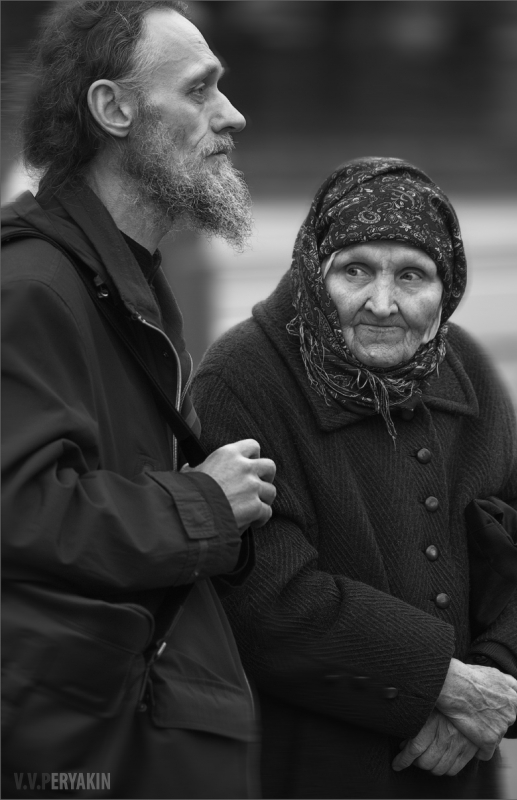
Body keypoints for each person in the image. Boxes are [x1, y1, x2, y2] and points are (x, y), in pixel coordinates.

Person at [192, 157, 517, 799]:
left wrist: (496, 674)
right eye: (356, 269)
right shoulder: (243, 380)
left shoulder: (464, 370)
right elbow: (265, 600)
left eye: (412, 275)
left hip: (461, 772)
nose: (383, 303)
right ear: (316, 271)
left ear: (446, 289)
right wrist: (443, 684)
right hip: (313, 771)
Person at [1, 2, 276, 798]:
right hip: (76, 745)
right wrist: (202, 504)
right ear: (113, 109)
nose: (232, 114)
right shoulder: (33, 288)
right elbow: (19, 508)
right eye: (199, 90)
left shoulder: (113, 274)